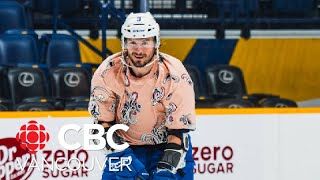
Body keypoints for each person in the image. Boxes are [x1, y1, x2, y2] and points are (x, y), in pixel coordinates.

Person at [88, 12, 196, 180]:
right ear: (124, 43)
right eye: (133, 42)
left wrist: (166, 169)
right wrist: (124, 159)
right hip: (123, 149)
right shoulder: (107, 72)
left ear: (156, 43)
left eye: (145, 42)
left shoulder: (175, 74)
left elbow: (178, 132)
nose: (139, 50)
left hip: (166, 147)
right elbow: (102, 126)